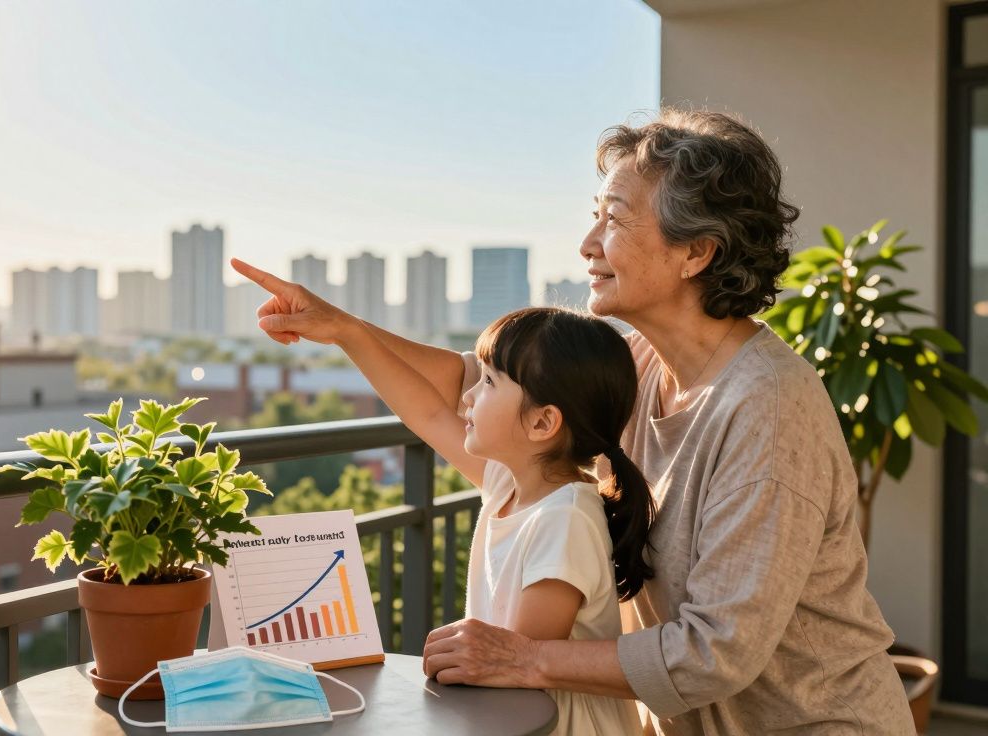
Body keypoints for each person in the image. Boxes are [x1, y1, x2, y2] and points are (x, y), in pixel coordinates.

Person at [231, 109, 913, 734]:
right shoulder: (640, 364)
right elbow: (469, 389)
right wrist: (343, 329)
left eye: (613, 219)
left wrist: (526, 658)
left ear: (696, 252)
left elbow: (713, 653)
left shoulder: (768, 407)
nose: (588, 244)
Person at [338, 305, 648, 734]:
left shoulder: (565, 519)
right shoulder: (512, 485)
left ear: (542, 422)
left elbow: (514, 666)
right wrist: (346, 334)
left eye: (487, 382)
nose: (466, 397)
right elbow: (426, 413)